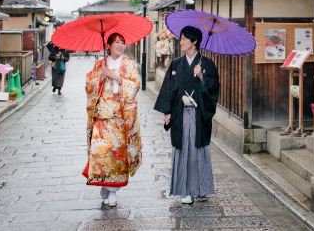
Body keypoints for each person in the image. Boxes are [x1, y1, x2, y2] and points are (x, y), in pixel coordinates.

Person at [154, 26, 219, 204]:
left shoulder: (207, 64)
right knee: (183, 149)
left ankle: (200, 188)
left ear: (194, 41)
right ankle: (186, 190)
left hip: (199, 114)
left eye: (184, 39)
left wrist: (202, 77)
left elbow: (214, 88)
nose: (181, 42)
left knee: (198, 150)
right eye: (181, 39)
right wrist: (167, 111)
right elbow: (168, 88)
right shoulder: (176, 64)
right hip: (179, 113)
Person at [84, 33, 142, 208]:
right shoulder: (100, 65)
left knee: (116, 154)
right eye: (117, 42)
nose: (120, 45)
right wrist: (100, 78)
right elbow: (89, 85)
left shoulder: (129, 65)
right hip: (102, 117)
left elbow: (136, 85)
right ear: (108, 45)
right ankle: (104, 184)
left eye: (123, 42)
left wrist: (118, 79)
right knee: (102, 153)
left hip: (119, 117)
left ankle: (112, 192)